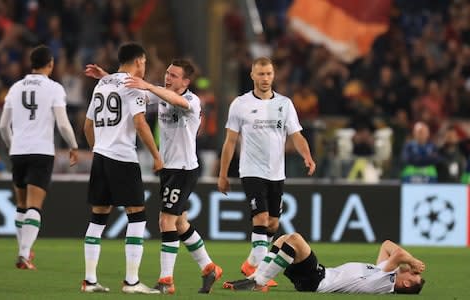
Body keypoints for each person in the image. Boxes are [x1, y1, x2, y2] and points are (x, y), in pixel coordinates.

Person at [85, 59, 222, 294]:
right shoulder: (161, 94)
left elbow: (176, 100)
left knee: (165, 221)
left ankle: (166, 280)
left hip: (183, 170)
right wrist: (107, 77)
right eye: (167, 73)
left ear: (186, 82)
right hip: (169, 169)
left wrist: (148, 85)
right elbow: (130, 92)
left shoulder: (192, 100)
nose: (168, 78)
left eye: (174, 76)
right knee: (179, 223)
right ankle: (209, 267)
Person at [217, 57, 316, 285]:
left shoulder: (284, 104)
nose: (265, 78)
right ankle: (259, 276)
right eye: (260, 74)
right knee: (260, 218)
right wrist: (223, 174)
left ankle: (252, 262)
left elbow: (296, 135)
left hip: (276, 173)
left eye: (269, 74)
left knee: (272, 224)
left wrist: (307, 155)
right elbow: (230, 142)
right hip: (251, 170)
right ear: (252, 75)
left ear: (274, 75)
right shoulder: (240, 104)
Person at [81, 42, 163, 294]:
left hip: (101, 156)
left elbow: (87, 126)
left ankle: (90, 280)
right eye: (145, 62)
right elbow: (140, 123)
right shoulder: (133, 86)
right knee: (137, 215)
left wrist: (99, 148)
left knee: (98, 216)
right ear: (139, 61)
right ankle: (131, 281)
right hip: (123, 157)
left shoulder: (102, 85)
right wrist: (157, 156)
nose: (145, 67)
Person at [0, 45, 79, 270]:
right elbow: (63, 123)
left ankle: (24, 251)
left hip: (18, 151)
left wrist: (12, 145)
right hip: (41, 151)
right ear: (50, 64)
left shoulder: (15, 88)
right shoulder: (54, 88)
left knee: (22, 205)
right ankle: (24, 254)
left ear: (30, 63)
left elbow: (4, 125)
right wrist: (73, 145)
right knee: (35, 205)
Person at [224, 233, 426, 295]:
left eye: (412, 274)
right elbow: (387, 244)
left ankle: (259, 281)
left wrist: (414, 261)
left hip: (318, 280)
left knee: (294, 239)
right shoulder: (384, 272)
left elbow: (398, 254)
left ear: (406, 284)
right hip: (316, 278)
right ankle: (257, 278)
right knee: (283, 240)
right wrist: (409, 262)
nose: (411, 270)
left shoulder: (387, 282)